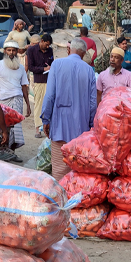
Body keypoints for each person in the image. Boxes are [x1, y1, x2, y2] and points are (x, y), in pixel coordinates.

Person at [41, 38, 97, 181]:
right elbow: (92, 104)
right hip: (81, 130)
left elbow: (49, 96)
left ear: (68, 50)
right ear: (84, 54)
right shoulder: (89, 71)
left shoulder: (57, 64)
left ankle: (61, 199)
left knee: (60, 171)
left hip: (59, 126)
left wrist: (46, 119)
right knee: (78, 171)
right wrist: (91, 126)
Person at [0, 41, 31, 162]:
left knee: (16, 128)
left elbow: (24, 86)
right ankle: (2, 151)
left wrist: (28, 105)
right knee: (3, 127)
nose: (11, 53)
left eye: (14, 50)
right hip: (3, 100)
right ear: (5, 51)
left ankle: (11, 153)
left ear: (17, 52)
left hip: (17, 99)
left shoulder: (20, 68)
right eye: (9, 50)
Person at [27, 33, 54, 138]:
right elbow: (31, 67)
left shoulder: (50, 50)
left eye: (49, 45)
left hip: (49, 80)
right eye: (46, 44)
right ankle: (37, 128)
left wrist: (50, 67)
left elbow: (52, 62)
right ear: (41, 41)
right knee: (38, 104)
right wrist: (43, 69)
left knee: (49, 104)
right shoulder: (31, 50)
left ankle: (48, 127)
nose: (47, 47)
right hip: (38, 80)